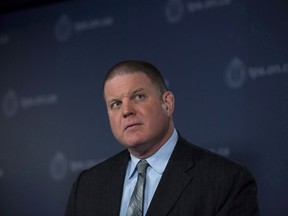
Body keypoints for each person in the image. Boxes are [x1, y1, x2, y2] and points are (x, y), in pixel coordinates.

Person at [65, 60, 260, 216]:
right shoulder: (87, 186)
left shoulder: (227, 181)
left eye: (138, 97)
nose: (126, 111)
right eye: (116, 104)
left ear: (167, 104)